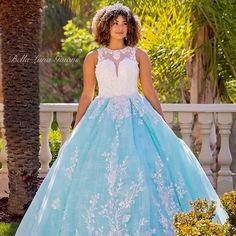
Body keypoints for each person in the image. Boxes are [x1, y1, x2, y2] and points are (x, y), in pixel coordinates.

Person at [15, 3, 228, 236]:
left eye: (124, 23)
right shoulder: (93, 57)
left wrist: (162, 123)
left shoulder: (139, 55)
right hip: (101, 117)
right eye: (115, 23)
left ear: (130, 27)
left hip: (136, 114)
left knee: (143, 173)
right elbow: (87, 94)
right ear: (105, 26)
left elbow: (149, 90)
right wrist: (78, 128)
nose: (120, 27)